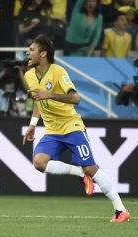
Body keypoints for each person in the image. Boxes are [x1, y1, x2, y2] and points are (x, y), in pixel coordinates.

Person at [22, 34, 130, 222]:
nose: (27, 53)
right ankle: (79, 173)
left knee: (91, 169)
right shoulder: (29, 75)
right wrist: (32, 125)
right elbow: (38, 100)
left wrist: (50, 94)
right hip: (52, 131)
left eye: (31, 50)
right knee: (39, 163)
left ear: (43, 54)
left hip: (72, 126)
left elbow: (75, 98)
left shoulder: (58, 72)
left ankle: (120, 211)